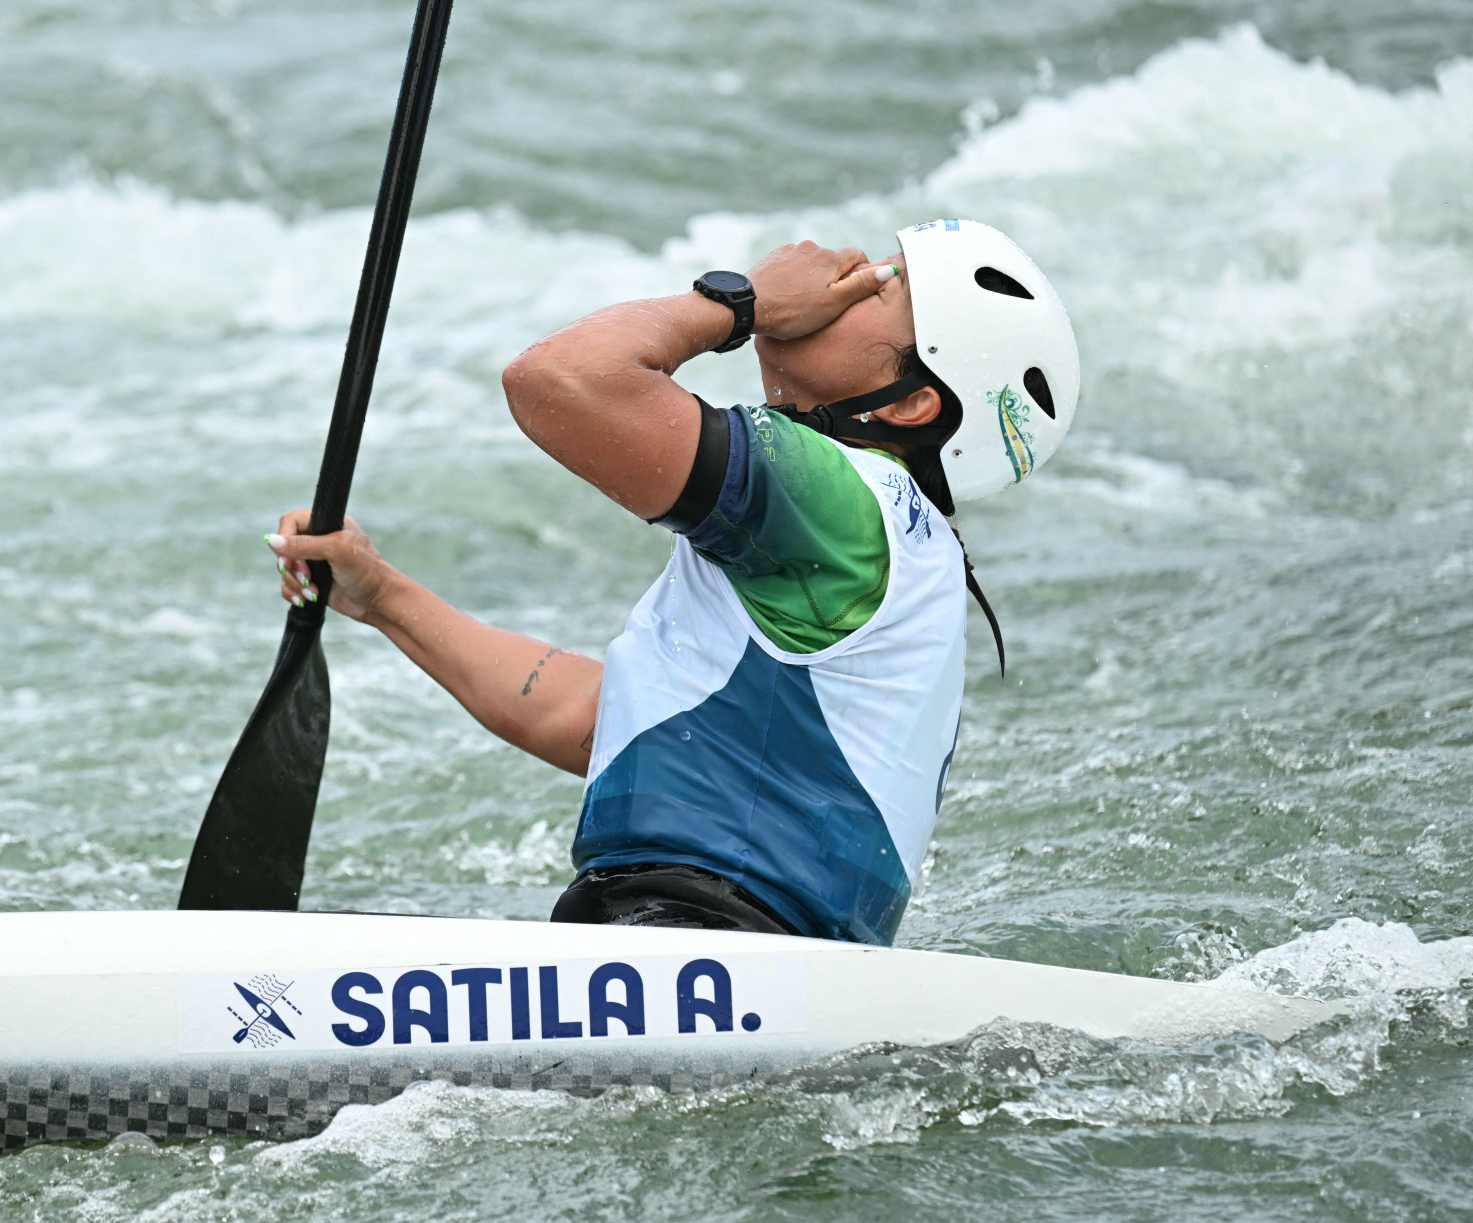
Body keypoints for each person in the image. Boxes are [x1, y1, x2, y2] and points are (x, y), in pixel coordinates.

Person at [265, 218, 1079, 945]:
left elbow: (558, 380)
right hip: (745, 958)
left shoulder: (837, 495)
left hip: (697, 932)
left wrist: (744, 301)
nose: (851, 268)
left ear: (910, 406)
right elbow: (597, 720)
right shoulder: (901, 542)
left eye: (886, 286)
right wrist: (383, 598)